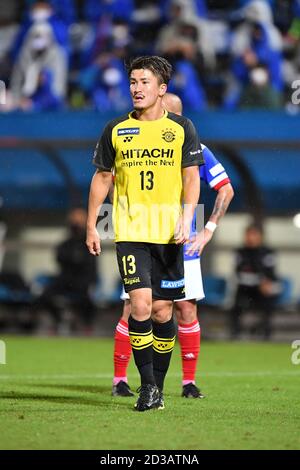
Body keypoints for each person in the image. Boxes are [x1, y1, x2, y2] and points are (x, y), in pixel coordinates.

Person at [86, 56, 203, 411]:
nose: (137, 88)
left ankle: (161, 387)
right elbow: (102, 177)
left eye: (144, 82)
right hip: (131, 232)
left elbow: (191, 178)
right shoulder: (116, 129)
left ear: (161, 89)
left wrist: (188, 218)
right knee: (140, 304)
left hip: (169, 234)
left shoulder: (182, 128)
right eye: (133, 82)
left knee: (164, 312)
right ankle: (147, 387)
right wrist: (92, 223)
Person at [112, 92, 234, 398]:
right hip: (141, 237)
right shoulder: (134, 141)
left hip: (179, 243)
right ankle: (120, 381)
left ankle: (187, 382)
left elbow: (226, 189)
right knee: (134, 307)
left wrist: (207, 230)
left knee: (185, 310)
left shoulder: (195, 148)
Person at [33, 208, 98, 331]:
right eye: (74, 222)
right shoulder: (66, 243)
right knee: (44, 296)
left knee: (88, 301)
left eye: (79, 223)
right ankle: (58, 319)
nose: (76, 226)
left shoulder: (90, 243)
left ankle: (86, 325)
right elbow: (60, 258)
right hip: (66, 280)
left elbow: (90, 266)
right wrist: (74, 259)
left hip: (82, 281)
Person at [230, 223, 281, 340]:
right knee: (236, 305)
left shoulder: (268, 252)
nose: (251, 238)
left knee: (268, 302)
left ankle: (266, 333)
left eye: (254, 235)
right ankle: (235, 333)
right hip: (245, 288)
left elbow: (271, 273)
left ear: (260, 236)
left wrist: (265, 283)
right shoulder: (240, 252)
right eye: (248, 235)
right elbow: (238, 273)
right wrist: (259, 280)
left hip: (263, 290)